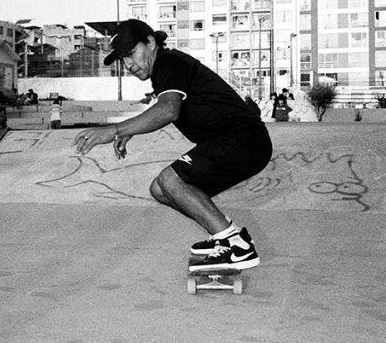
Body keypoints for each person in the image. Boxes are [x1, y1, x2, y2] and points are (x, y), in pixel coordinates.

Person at [75, 19, 272, 272]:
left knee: (170, 180)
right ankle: (229, 236)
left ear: (150, 42)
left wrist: (115, 129)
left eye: (132, 54)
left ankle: (236, 246)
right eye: (124, 60)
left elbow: (168, 110)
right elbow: (165, 105)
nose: (130, 65)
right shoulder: (166, 71)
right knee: (159, 189)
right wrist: (131, 130)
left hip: (241, 140)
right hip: (235, 144)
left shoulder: (170, 62)